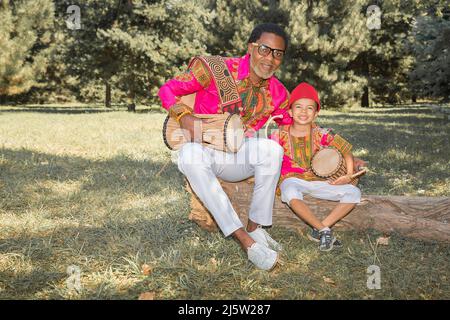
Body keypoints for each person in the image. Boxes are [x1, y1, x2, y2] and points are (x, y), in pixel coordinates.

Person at [158, 23, 292, 270]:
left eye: (277, 53)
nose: (270, 58)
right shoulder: (215, 68)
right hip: (205, 151)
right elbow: (167, 89)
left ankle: (256, 228)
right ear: (251, 47)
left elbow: (294, 125)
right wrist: (183, 116)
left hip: (238, 155)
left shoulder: (279, 92)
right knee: (188, 155)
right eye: (264, 49)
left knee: (273, 151)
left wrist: (336, 152)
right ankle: (246, 242)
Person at [270, 82, 361, 251]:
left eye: (309, 108)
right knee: (288, 189)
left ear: (316, 113)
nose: (303, 112)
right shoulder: (279, 134)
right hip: (293, 180)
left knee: (354, 193)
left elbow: (347, 150)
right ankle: (325, 230)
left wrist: (348, 175)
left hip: (319, 181)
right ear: (290, 111)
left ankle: (318, 229)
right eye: (298, 107)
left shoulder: (321, 133)